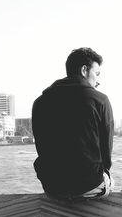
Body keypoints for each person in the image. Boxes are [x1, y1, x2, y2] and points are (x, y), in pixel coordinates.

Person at [32, 47, 114, 202]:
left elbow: (41, 148)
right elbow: (106, 152)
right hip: (90, 186)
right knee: (108, 181)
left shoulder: (40, 102)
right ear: (84, 70)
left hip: (53, 188)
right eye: (96, 74)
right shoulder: (100, 100)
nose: (98, 81)